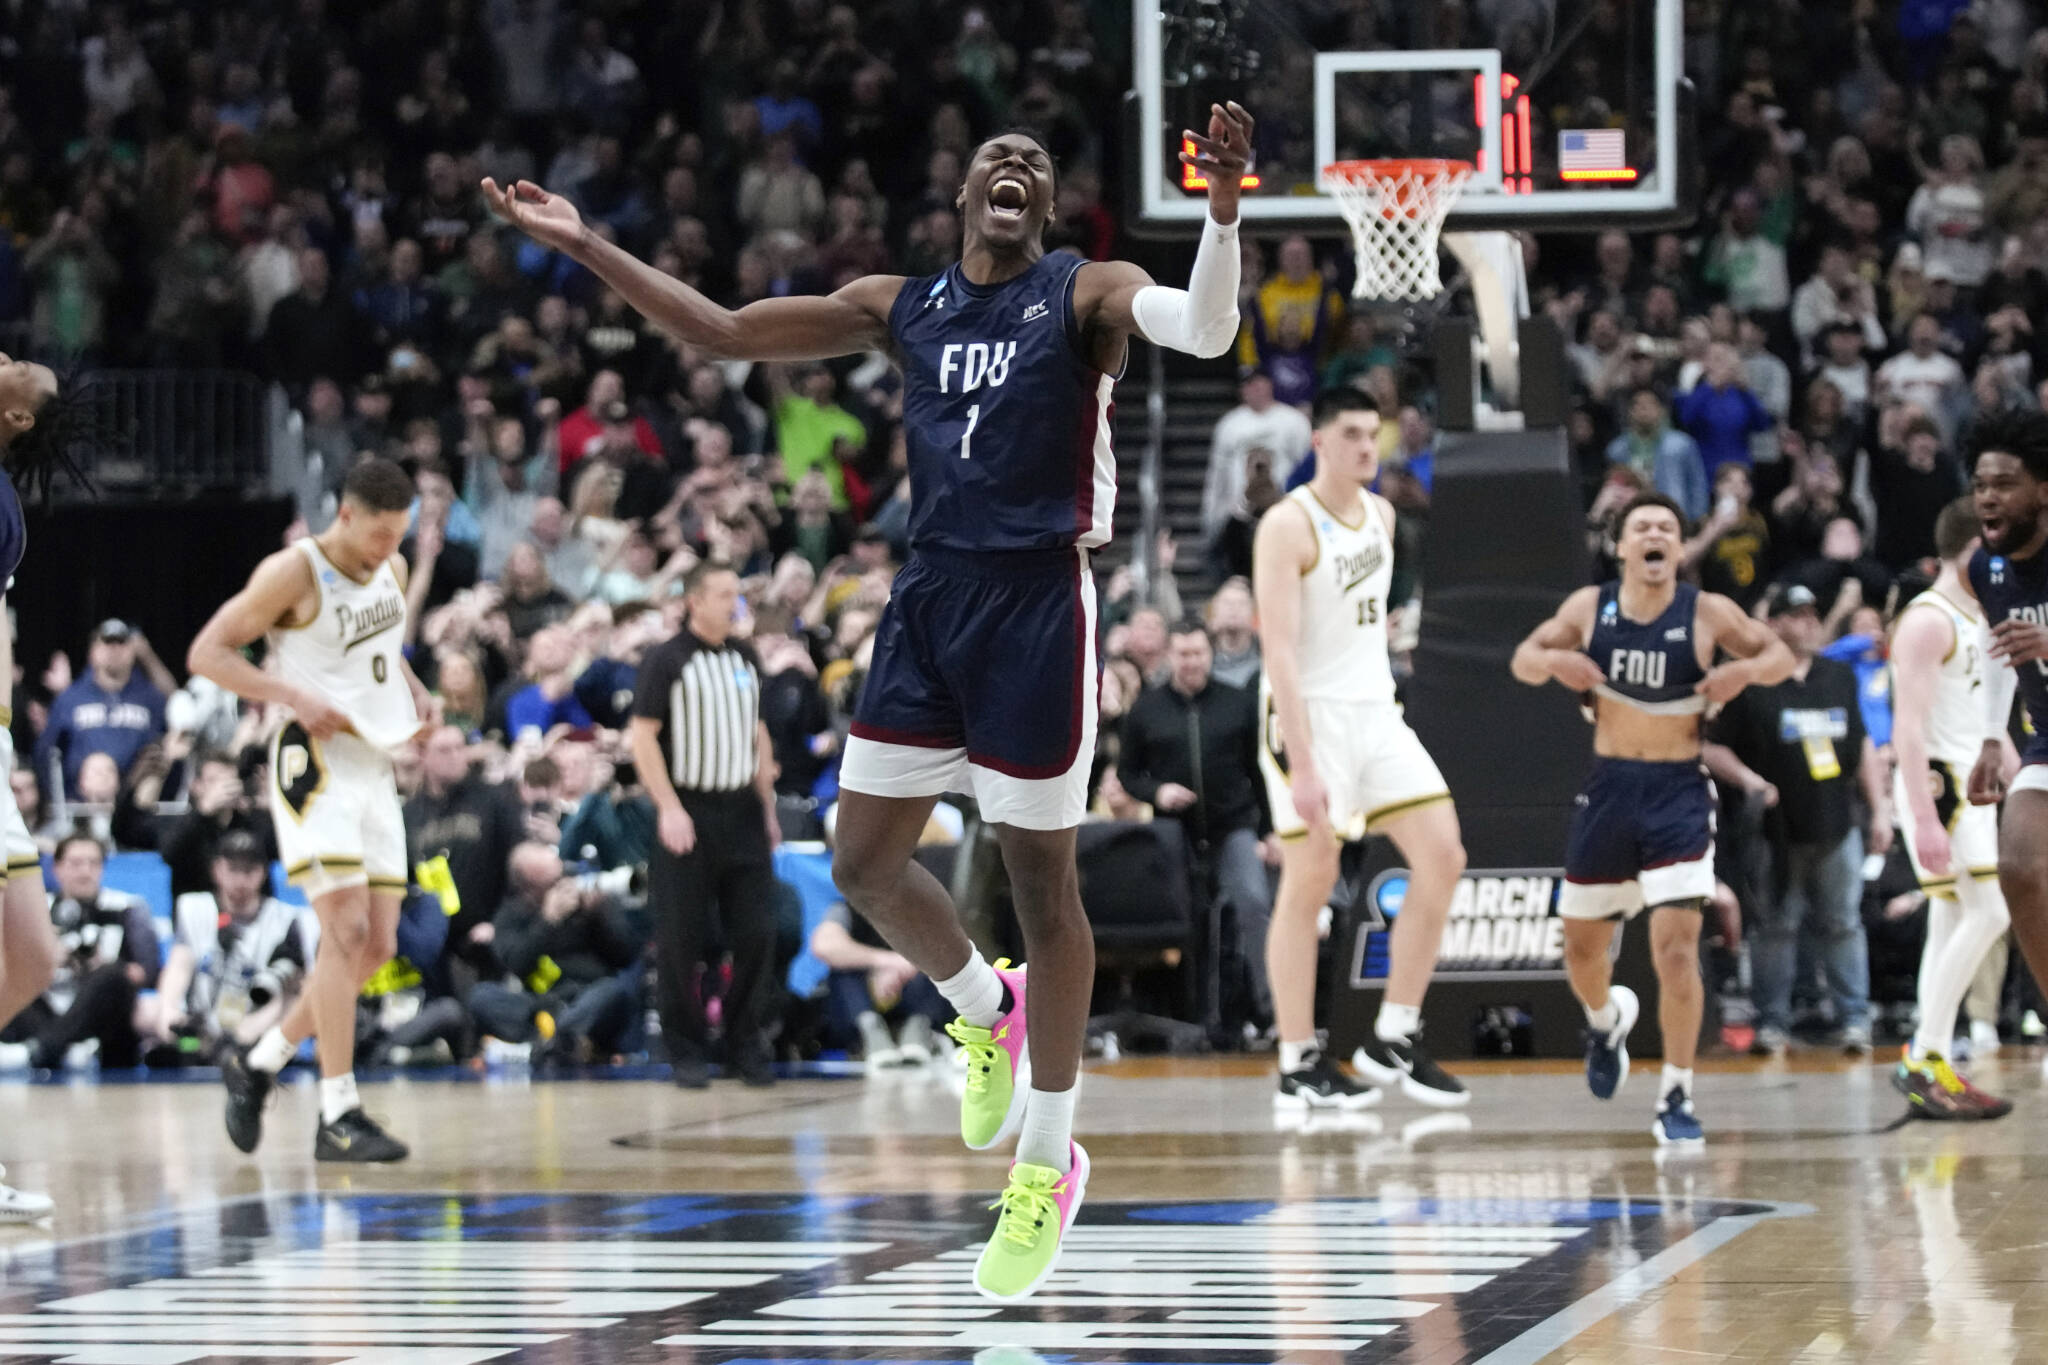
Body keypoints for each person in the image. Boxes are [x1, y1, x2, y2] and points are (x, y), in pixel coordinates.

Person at [489, 102, 1252, 1300]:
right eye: (997, 156)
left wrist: (1218, 211)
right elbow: (727, 331)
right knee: (860, 864)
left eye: (1036, 165)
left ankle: (1047, 1164)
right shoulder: (900, 304)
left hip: (1039, 601)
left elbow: (1204, 330)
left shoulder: (1083, 290)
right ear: (959, 197)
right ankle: (979, 1002)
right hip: (929, 599)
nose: (1015, 165)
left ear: (1045, 209)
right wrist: (586, 245)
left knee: (1041, 887)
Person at [1512, 493, 1793, 1147]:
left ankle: (1676, 1094)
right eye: (1643, 527)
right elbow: (1522, 660)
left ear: (1680, 546)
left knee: (1674, 950)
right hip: (1610, 788)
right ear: (1622, 546)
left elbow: (1780, 655)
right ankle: (1607, 1020)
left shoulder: (1707, 611)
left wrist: (1743, 672)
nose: (1655, 534)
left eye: (1667, 527)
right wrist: (1556, 661)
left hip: (1678, 792)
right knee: (1580, 950)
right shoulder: (1591, 608)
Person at [186, 457, 432, 1163]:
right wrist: (291, 695)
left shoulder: (390, 565)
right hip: (313, 764)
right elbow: (207, 652)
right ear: (346, 514)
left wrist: (413, 688)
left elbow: (382, 649)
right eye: (380, 533)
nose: (391, 548)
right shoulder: (294, 571)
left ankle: (259, 1061)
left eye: (400, 534)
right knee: (345, 931)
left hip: (374, 763)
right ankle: (338, 1111)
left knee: (377, 947)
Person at [1253, 388, 1471, 1110]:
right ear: (1319, 442)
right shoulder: (1287, 524)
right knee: (1310, 876)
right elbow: (1278, 651)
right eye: (1349, 434)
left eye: (1371, 434)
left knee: (1443, 854)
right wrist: (1305, 764)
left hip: (1375, 709)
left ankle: (1393, 1034)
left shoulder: (1382, 515)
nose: (1365, 447)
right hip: (1306, 715)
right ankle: (1295, 1058)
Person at [1705, 585, 1890, 1058]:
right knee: (1775, 927)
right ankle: (1771, 1024)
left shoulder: (1837, 676)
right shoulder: (1751, 681)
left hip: (1837, 825)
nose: (1807, 622)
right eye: (1796, 615)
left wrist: (1881, 809)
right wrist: (1749, 780)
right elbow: (1710, 744)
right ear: (1773, 623)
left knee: (1843, 924)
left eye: (1812, 614)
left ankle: (1854, 1021)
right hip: (1776, 831)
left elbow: (1864, 744)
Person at [629, 564, 784, 1089]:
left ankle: (744, 1043)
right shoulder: (665, 659)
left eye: (736, 595)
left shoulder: (745, 657)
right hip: (688, 810)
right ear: (694, 600)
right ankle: (686, 1048)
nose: (732, 604)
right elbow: (642, 739)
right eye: (722, 594)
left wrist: (768, 810)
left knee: (758, 932)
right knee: (680, 939)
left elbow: (758, 734)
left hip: (741, 811)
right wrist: (669, 807)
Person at [1888, 498, 2013, 1119]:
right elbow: (1906, 728)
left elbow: (1982, 720)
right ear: (1968, 549)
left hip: (1971, 782)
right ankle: (1923, 1054)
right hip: (1939, 785)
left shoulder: (1974, 615)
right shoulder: (1928, 620)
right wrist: (1924, 816)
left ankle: (1930, 1061)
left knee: (1948, 925)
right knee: (1991, 911)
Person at [0, 349, 77, 1218]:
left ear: (18, 417)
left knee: (31, 957)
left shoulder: (5, 507)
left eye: (23, 370)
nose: (11, 356)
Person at [1959, 409, 2048, 1095]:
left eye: (2006, 483)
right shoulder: (1985, 567)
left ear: (2041, 490)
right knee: (2018, 867)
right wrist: (1993, 733)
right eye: (1981, 483)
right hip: (2044, 739)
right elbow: (1998, 653)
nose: (1988, 496)